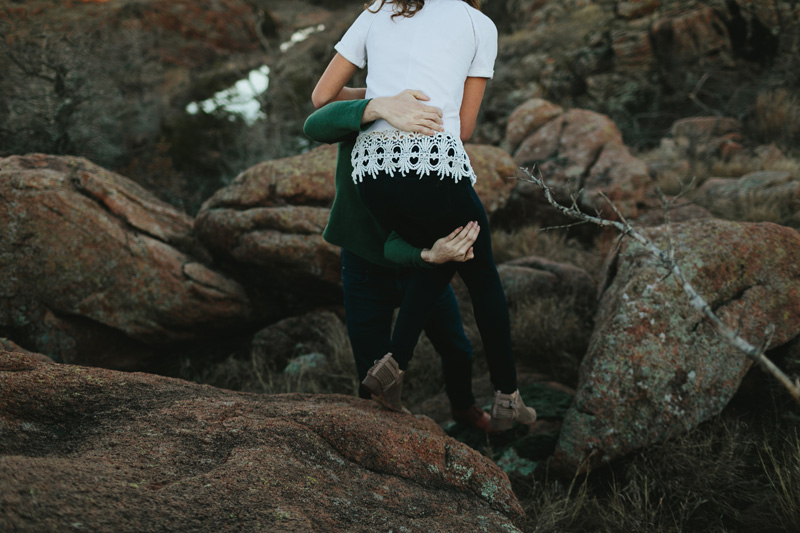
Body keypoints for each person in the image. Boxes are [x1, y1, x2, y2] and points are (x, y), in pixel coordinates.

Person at [312, 0, 536, 430]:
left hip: (371, 171)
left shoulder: (379, 10)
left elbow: (322, 97)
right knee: (483, 273)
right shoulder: (479, 24)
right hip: (429, 163)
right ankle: (508, 398)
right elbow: (464, 129)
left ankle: (392, 365)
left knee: (444, 253)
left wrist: (381, 98)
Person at [304, 90, 493, 431]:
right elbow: (315, 123)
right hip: (364, 268)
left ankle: (464, 408)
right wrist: (376, 105)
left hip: (420, 270)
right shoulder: (378, 103)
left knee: (457, 349)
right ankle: (384, 440)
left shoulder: (433, 115)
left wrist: (445, 248)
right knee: (373, 374)